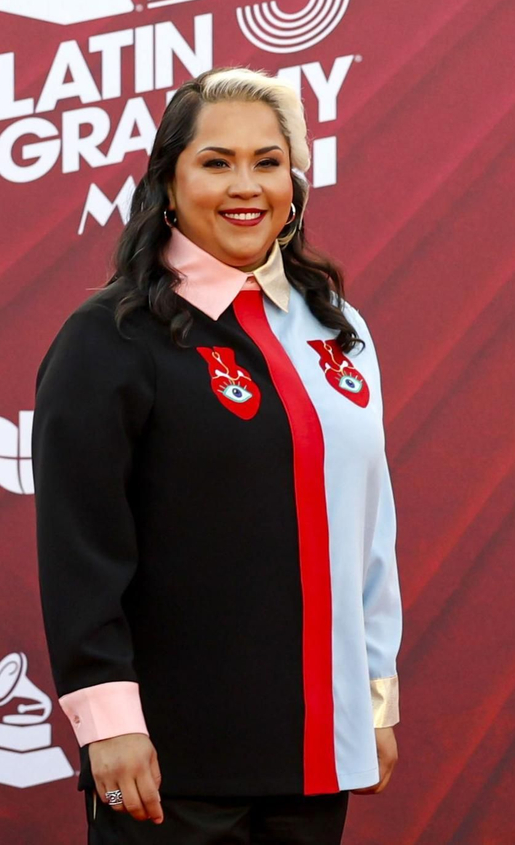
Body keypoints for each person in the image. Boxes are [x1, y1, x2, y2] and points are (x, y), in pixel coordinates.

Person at [34, 67, 401, 844]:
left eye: (269, 163)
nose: (247, 187)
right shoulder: (110, 339)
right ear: (168, 181)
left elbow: (368, 530)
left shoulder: (340, 329)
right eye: (216, 162)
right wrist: (108, 723)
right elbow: (81, 552)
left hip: (312, 759)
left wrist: (371, 699)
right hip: (170, 766)